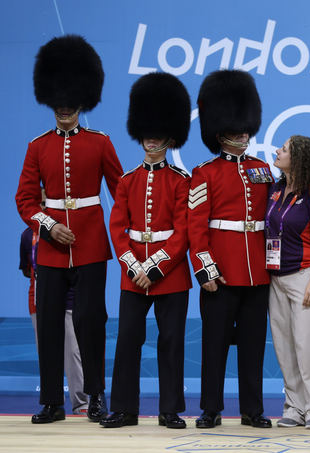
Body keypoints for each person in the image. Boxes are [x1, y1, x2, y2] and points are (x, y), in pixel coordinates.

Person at [15, 35, 123, 424]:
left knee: (91, 323)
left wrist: (121, 236)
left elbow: (121, 194)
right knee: (48, 325)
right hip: (52, 249)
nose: (64, 108)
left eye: (70, 102)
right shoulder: (37, 146)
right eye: (58, 102)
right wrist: (48, 226)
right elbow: (25, 200)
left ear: (81, 101)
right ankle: (51, 401)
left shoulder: (100, 143)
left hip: (92, 245)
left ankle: (95, 396)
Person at [100, 72, 192, 429]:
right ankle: (124, 408)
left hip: (169, 274)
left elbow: (182, 231)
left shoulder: (181, 181)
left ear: (169, 139)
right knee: (127, 342)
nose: (152, 139)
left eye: (158, 134)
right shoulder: (127, 181)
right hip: (132, 273)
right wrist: (131, 264)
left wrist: (154, 265)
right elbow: (117, 227)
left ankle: (170, 409)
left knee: (171, 342)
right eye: (147, 133)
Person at [188, 70, 273, 429]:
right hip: (221, 273)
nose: (243, 135)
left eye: (245, 129)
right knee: (215, 345)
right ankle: (211, 408)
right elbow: (197, 227)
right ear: (219, 133)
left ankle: (253, 410)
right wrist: (206, 269)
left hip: (257, 272)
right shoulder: (204, 173)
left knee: (254, 347)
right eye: (235, 130)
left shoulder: (263, 170)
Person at [267, 135, 310, 430]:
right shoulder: (276, 189)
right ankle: (294, 407)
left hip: (306, 275)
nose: (277, 152)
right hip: (277, 279)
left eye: (284, 149)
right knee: (286, 348)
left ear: (299, 158)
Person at [20, 222, 88, 415]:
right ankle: (52, 403)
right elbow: (27, 269)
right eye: (39, 205)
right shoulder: (27, 236)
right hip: (39, 301)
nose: (42, 208)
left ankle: (81, 403)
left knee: (73, 353)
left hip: (70, 300)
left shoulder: (67, 231)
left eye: (45, 204)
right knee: (47, 352)